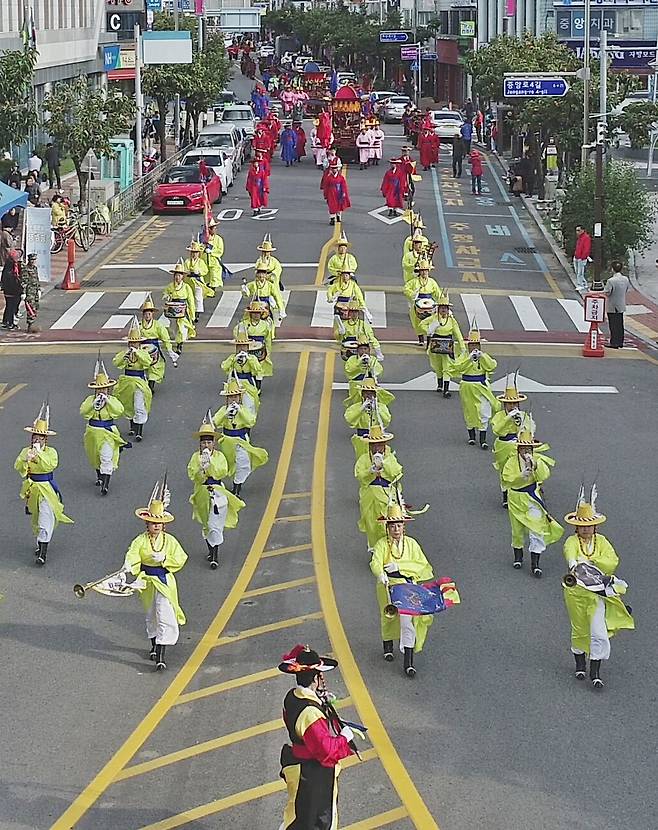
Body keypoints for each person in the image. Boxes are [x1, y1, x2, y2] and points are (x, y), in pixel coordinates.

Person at [562, 487, 634, 688]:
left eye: (590, 526)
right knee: (579, 629)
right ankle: (579, 665)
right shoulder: (571, 541)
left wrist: (590, 560)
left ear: (595, 527)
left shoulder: (602, 541)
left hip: (597, 594)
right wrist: (578, 564)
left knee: (599, 632)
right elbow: (571, 557)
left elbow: (612, 561)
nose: (586, 529)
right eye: (582, 527)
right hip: (576, 593)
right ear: (576, 528)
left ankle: (595, 671)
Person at [278, 645, 354, 830]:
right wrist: (344, 737)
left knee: (297, 816)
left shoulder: (293, 696)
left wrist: (322, 701)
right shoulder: (310, 712)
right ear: (315, 678)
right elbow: (325, 750)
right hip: (312, 774)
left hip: (298, 764)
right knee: (316, 821)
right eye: (320, 675)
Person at [122, 478, 187, 671]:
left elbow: (181, 558)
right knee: (152, 615)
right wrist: (128, 568)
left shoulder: (171, 541)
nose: (156, 526)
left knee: (164, 613)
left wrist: (164, 560)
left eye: (159, 523)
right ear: (147, 524)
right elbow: (132, 556)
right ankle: (153, 646)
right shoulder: (140, 541)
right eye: (152, 523)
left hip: (165, 581)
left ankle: (161, 654)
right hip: (146, 581)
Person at [370, 504, 435, 676]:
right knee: (388, 618)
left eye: (399, 525)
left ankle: (408, 662)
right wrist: (380, 573)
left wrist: (400, 566)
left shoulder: (412, 544)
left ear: (403, 526)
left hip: (408, 588)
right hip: (388, 586)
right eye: (392, 525)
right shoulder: (382, 544)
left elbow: (422, 565)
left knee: (408, 622)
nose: (396, 529)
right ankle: (388, 645)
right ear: (387, 527)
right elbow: (376, 562)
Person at [501, 414, 564, 576]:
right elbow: (507, 479)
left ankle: (536, 563)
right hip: (516, 498)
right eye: (523, 449)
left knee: (536, 528)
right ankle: (518, 557)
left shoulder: (537, 459)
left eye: (529, 449)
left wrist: (535, 466)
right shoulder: (511, 461)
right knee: (517, 529)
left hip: (531, 498)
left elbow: (544, 475)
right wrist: (521, 475)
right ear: (518, 449)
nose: (526, 452)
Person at [14, 402, 73, 565]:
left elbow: (50, 465)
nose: (36, 440)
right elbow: (18, 467)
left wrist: (39, 455)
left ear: (45, 440)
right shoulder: (26, 451)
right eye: (34, 437)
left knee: (45, 518)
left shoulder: (51, 452)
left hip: (46, 488)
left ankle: (43, 553)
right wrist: (25, 460)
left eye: (40, 438)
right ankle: (40, 544)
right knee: (37, 518)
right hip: (32, 489)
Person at [187, 411, 245, 569]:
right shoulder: (195, 457)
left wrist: (210, 464)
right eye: (203, 442)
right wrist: (201, 469)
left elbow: (222, 471)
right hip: (202, 492)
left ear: (214, 443)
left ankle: (215, 555)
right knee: (206, 524)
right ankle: (210, 549)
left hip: (217, 491)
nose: (206, 445)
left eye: (209, 442)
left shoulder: (219, 456)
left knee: (215, 524)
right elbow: (192, 475)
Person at [213, 378, 269, 497]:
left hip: (240, 440)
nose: (233, 399)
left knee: (242, 463)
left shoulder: (243, 409)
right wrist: (226, 413)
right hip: (226, 441)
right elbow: (214, 422)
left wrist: (240, 411)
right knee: (226, 463)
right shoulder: (223, 410)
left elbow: (251, 421)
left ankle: (237, 488)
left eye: (236, 397)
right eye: (231, 397)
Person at [80, 359, 127, 495]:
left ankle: (105, 484)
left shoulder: (112, 400)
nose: (102, 391)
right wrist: (94, 403)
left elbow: (119, 411)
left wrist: (108, 402)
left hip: (107, 432)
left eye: (104, 389)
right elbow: (83, 412)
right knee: (95, 457)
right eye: (99, 389)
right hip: (93, 432)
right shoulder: (90, 400)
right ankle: (100, 476)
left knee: (106, 457)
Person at [355, 425, 403, 553]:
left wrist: (384, 464)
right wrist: (370, 471)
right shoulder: (364, 459)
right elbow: (359, 475)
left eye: (379, 445)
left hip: (386, 496)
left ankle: (390, 550)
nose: (377, 448)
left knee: (387, 524)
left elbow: (397, 473)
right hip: (370, 497)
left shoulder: (390, 458)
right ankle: (376, 551)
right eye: (374, 445)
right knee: (372, 524)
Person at [450, 324, 499, 448]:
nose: (474, 348)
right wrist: (469, 359)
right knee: (469, 411)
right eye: (472, 345)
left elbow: (492, 366)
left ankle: (483, 439)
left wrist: (482, 357)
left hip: (481, 386)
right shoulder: (464, 356)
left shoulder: (483, 356)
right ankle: (472, 436)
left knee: (484, 410)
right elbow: (458, 367)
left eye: (476, 345)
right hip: (467, 387)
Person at [112, 316, 153, 442]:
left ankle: (139, 430)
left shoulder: (144, 352)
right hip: (126, 381)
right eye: (131, 343)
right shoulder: (125, 352)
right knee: (128, 405)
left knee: (139, 405)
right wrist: (126, 355)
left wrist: (137, 353)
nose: (133, 345)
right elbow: (117, 363)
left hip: (139, 382)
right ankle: (132, 427)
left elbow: (147, 362)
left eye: (135, 343)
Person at [421, 292, 465, 397]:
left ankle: (446, 389)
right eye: (442, 307)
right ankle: (439, 384)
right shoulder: (433, 318)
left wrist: (462, 346)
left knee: (447, 367)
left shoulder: (452, 320)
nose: (444, 310)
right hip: (436, 345)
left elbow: (457, 333)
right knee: (437, 366)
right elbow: (422, 324)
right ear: (438, 308)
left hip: (447, 346)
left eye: (445, 308)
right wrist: (429, 329)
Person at [491, 378, 526, 508]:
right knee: (504, 470)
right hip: (503, 445)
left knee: (518, 467)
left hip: (518, 444)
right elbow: (497, 430)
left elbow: (529, 431)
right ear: (505, 404)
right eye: (510, 404)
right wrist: (508, 418)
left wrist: (520, 422)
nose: (513, 406)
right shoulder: (499, 416)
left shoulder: (523, 415)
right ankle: (505, 494)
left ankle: (516, 492)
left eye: (515, 403)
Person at [345, 376, 392, 459]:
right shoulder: (356, 407)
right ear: (362, 394)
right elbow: (349, 419)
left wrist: (377, 409)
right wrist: (361, 409)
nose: (369, 395)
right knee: (363, 459)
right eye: (366, 393)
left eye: (371, 393)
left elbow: (387, 420)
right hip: (362, 438)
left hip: (378, 438)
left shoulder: (381, 407)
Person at [138, 294, 176, 390]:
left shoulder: (158, 325)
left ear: (152, 314)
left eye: (149, 314)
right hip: (142, 348)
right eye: (146, 314)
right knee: (141, 366)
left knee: (155, 366)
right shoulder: (139, 325)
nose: (147, 316)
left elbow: (165, 338)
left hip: (154, 348)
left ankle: (151, 385)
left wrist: (169, 350)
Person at [403, 258, 442, 346]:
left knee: (430, 322)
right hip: (418, 303)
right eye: (423, 271)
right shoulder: (414, 282)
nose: (424, 273)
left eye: (426, 271)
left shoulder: (432, 282)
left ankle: (429, 341)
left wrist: (442, 302)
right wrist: (413, 294)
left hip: (430, 303)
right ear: (420, 271)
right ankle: (420, 339)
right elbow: (405, 289)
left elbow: (438, 293)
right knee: (417, 322)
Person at [221, 335, 262, 414]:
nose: (241, 348)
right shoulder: (232, 357)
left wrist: (249, 359)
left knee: (250, 403)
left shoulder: (252, 358)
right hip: (235, 383)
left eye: (244, 346)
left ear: (247, 347)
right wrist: (234, 359)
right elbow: (224, 367)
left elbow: (258, 370)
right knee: (232, 403)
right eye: (239, 346)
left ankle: (248, 420)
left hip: (248, 383)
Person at [163, 261, 196, 355]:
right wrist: (167, 297)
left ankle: (179, 344)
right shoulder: (170, 286)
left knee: (182, 328)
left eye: (179, 275)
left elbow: (191, 301)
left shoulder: (186, 287)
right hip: (173, 310)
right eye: (176, 275)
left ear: (183, 277)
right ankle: (178, 340)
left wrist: (192, 315)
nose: (177, 277)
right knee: (174, 328)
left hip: (183, 310)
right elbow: (165, 294)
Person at [234, 302, 274, 378]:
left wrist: (268, 351)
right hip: (247, 349)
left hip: (260, 349)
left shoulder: (265, 325)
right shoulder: (244, 324)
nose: (256, 315)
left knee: (259, 367)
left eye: (258, 313)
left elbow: (268, 339)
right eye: (254, 313)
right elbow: (236, 332)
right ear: (251, 314)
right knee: (248, 366)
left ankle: (258, 383)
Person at [182, 240, 212, 321]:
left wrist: (199, 272)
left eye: (196, 252)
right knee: (190, 298)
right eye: (192, 252)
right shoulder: (187, 261)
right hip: (189, 281)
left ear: (198, 253)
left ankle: (197, 313)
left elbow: (205, 270)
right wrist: (188, 272)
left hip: (198, 282)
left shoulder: (201, 262)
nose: (194, 254)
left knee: (198, 297)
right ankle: (190, 312)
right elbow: (184, 270)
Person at [604, 260, 630, 349]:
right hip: (621, 304)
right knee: (620, 323)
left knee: (613, 324)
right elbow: (627, 289)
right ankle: (620, 341)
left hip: (612, 304)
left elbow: (607, 292)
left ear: (612, 269)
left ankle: (614, 342)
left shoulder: (611, 281)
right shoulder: (625, 279)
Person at [322, 159, 351, 225]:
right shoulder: (328, 178)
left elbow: (344, 186)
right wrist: (325, 195)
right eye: (333, 168)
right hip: (331, 193)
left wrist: (344, 193)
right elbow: (326, 186)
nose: (334, 170)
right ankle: (332, 219)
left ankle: (338, 216)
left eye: (335, 168)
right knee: (332, 206)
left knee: (339, 205)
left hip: (339, 192)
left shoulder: (341, 177)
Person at [1, 249, 22, 330]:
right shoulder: (11, 268)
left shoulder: (9, 265)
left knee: (9, 306)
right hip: (12, 290)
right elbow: (12, 279)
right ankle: (10, 323)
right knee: (12, 307)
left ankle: (6, 321)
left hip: (9, 290)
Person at [203, 217, 225, 290]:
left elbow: (220, 251)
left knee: (214, 276)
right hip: (205, 261)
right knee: (206, 277)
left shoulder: (218, 239)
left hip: (214, 261)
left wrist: (211, 252)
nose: (215, 230)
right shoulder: (204, 238)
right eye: (214, 228)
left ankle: (213, 290)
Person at [21, 252, 41, 333]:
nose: (33, 261)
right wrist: (24, 293)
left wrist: (39, 289)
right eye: (32, 260)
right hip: (29, 292)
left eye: (34, 260)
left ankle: (33, 323)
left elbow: (37, 279)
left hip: (35, 291)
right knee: (30, 308)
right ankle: (30, 325)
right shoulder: (25, 269)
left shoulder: (35, 268)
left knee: (36, 307)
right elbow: (24, 281)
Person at [572, 225, 592, 293]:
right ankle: (584, 283)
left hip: (581, 258)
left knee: (580, 272)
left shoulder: (586, 238)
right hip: (577, 256)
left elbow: (586, 249)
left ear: (583, 230)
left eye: (578, 230)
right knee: (578, 271)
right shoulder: (580, 237)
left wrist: (583, 257)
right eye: (576, 230)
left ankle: (580, 284)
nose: (577, 232)